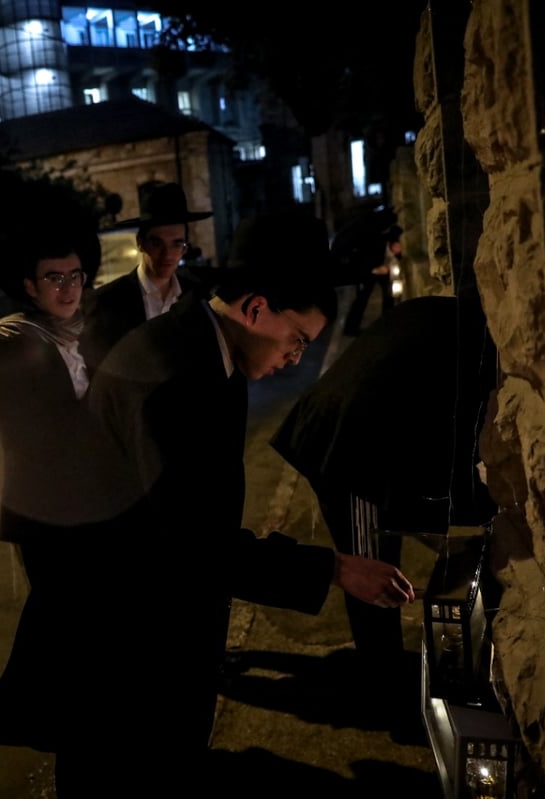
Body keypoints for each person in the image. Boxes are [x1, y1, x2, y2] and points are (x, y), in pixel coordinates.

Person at [85, 210, 417, 792]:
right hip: (131, 636)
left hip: (178, 619)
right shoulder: (171, 374)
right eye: (298, 341)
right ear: (256, 308)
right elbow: (192, 542)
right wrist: (335, 568)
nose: (295, 359)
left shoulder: (216, 357)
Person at [0, 220, 134, 795]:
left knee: (96, 642)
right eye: (53, 278)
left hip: (92, 509)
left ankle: (99, 751)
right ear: (30, 285)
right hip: (51, 517)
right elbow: (48, 429)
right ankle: (78, 767)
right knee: (68, 639)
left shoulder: (82, 332)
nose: (67, 287)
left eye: (74, 276)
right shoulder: (13, 338)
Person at [270, 294, 496, 696]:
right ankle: (381, 678)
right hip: (347, 447)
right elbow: (454, 439)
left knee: (375, 558)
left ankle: (382, 665)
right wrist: (472, 510)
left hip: (356, 430)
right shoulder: (480, 351)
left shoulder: (461, 320)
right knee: (369, 565)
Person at [77, 181, 215, 373]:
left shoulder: (198, 296)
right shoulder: (106, 302)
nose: (167, 254)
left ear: (186, 246)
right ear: (140, 243)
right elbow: (97, 374)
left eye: (177, 244)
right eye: (157, 243)